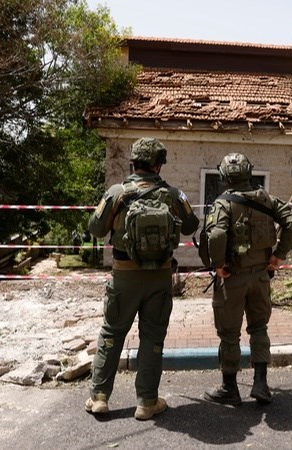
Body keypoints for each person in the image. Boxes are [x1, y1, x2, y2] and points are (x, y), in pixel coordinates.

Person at [85, 137, 199, 420]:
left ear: (133, 163)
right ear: (159, 165)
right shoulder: (174, 194)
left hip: (124, 277)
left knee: (112, 332)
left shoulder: (116, 193)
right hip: (159, 278)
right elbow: (192, 226)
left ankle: (99, 397)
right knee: (152, 337)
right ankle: (147, 402)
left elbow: (96, 229)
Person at [202, 152, 292, 405]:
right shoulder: (266, 199)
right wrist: (278, 257)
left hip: (232, 278)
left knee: (229, 334)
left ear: (224, 177)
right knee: (259, 328)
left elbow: (215, 236)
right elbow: (291, 221)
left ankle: (230, 388)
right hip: (260, 277)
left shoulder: (223, 204)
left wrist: (219, 264)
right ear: (249, 172)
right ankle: (261, 383)